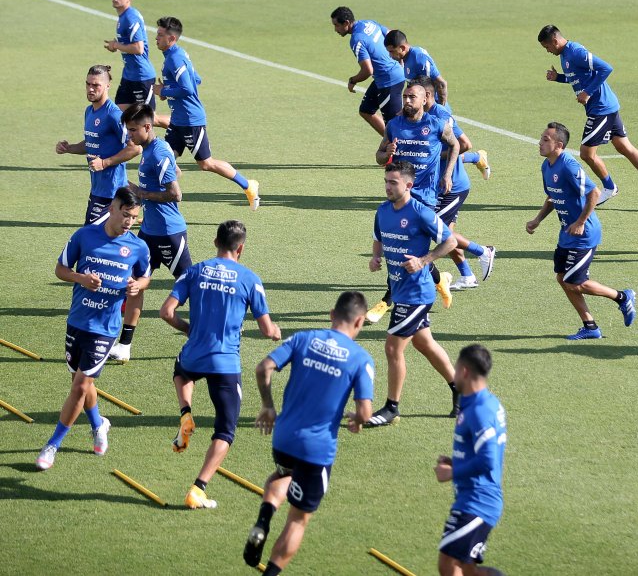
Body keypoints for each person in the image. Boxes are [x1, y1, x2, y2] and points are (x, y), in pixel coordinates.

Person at [242, 291, 374, 576]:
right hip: (317, 450)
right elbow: (365, 411)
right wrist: (358, 420)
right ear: (360, 321)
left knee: (282, 476)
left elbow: (264, 367)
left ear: (331, 315)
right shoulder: (361, 359)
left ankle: (263, 520)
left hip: (284, 439)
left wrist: (267, 406)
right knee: (298, 519)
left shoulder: (303, 338)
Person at [159, 219, 281, 508]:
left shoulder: (193, 271)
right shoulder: (250, 279)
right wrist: (276, 331)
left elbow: (166, 312)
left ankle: (186, 413)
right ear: (241, 248)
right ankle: (198, 488)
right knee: (225, 431)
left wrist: (189, 330)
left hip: (194, 355)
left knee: (181, 371)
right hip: (225, 364)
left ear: (215, 242)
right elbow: (266, 329)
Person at [36, 187, 151, 470]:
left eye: (134, 217)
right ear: (112, 209)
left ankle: (52, 445)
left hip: (105, 328)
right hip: (77, 321)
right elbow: (60, 269)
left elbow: (145, 277)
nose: (129, 222)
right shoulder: (84, 236)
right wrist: (81, 278)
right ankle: (99, 424)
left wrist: (137, 286)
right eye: (126, 215)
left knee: (80, 386)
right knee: (81, 383)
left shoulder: (138, 247)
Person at [366, 161, 459, 426]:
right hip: (400, 290)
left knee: (392, 347)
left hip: (417, 293)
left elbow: (450, 241)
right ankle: (461, 390)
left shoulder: (420, 213)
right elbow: (378, 237)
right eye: (386, 182)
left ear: (408, 185)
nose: (387, 187)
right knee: (424, 343)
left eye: (393, 183)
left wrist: (424, 260)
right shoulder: (383, 210)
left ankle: (391, 408)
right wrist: (375, 257)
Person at [538, 24, 638, 210]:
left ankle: (609, 187)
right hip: (605, 107)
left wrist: (587, 92)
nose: (547, 51)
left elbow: (606, 68)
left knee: (586, 153)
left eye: (547, 47)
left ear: (555, 40)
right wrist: (558, 77)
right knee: (624, 147)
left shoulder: (575, 52)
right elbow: (578, 76)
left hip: (601, 109)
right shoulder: (564, 55)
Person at [525, 122, 636, 340]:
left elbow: (594, 192)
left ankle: (623, 297)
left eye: (545, 140)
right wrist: (538, 219)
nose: (540, 143)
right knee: (562, 278)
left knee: (575, 282)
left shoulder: (569, 165)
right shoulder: (546, 166)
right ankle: (590, 326)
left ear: (559, 145)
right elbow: (552, 196)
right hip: (567, 234)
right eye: (541, 138)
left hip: (584, 235)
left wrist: (581, 222)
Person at [365, 80, 459, 323]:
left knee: (407, 251)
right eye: (405, 97)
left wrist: (447, 174)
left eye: (412, 97)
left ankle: (386, 301)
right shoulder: (394, 125)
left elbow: (456, 144)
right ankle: (440, 279)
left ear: (425, 100)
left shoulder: (436, 124)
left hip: (425, 197)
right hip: (399, 194)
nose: (406, 101)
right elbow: (378, 156)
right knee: (401, 249)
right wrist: (386, 153)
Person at [107, 103, 191, 362]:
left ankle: (217, 328)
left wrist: (141, 193)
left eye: (133, 130)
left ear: (147, 126)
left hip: (168, 233)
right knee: (134, 286)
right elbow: (175, 171)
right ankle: (125, 346)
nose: (129, 135)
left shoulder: (158, 152)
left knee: (192, 286)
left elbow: (175, 194)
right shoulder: (150, 150)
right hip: (148, 234)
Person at [153, 16, 261, 210]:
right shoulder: (176, 55)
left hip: (190, 121)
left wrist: (165, 90)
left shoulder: (175, 58)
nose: (156, 38)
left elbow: (188, 88)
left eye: (160, 35)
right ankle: (158, 209)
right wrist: (169, 90)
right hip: (177, 121)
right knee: (164, 161)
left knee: (206, 164)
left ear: (172, 38)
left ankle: (248, 185)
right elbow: (197, 79)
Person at [417, 76, 496, 291]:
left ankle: (483, 251)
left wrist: (433, 156)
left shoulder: (441, 115)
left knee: (440, 231)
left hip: (453, 186)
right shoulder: (420, 115)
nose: (408, 100)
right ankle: (467, 275)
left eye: (413, 96)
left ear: (427, 96)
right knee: (445, 235)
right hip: (437, 186)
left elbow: (464, 144)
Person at [434, 344, 507, 576]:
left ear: (464, 371)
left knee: (448, 564)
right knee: (467, 569)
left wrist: (452, 472)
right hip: (475, 498)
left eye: (455, 368)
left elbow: (488, 460)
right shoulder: (485, 403)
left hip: (478, 501)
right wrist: (455, 462)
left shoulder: (480, 411)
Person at [384, 29, 491, 179]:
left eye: (392, 51)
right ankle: (476, 158)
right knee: (432, 151)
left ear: (402, 47)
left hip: (433, 111)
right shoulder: (407, 59)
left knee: (449, 148)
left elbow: (441, 83)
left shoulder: (419, 58)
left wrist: (439, 108)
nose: (390, 56)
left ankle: (476, 158)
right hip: (423, 111)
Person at [55, 64, 137, 225]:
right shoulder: (89, 111)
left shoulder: (113, 114)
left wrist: (105, 163)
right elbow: (92, 142)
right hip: (97, 189)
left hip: (112, 192)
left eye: (96, 85)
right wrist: (69, 148)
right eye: (88, 84)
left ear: (107, 86)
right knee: (103, 235)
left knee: (91, 234)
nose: (90, 89)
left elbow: (135, 147)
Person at [330, 6, 405, 137]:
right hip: (386, 76)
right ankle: (389, 140)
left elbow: (367, 70)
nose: (335, 29)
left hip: (389, 82)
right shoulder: (368, 23)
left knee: (395, 126)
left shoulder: (356, 39)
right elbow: (391, 34)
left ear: (346, 23)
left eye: (336, 25)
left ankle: (398, 143)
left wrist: (353, 80)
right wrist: (401, 57)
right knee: (366, 110)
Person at [103, 0, 158, 112]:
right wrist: (115, 46)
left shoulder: (130, 17)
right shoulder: (123, 17)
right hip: (128, 76)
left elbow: (138, 48)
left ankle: (177, 123)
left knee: (147, 119)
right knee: (120, 115)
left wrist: (116, 45)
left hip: (141, 77)